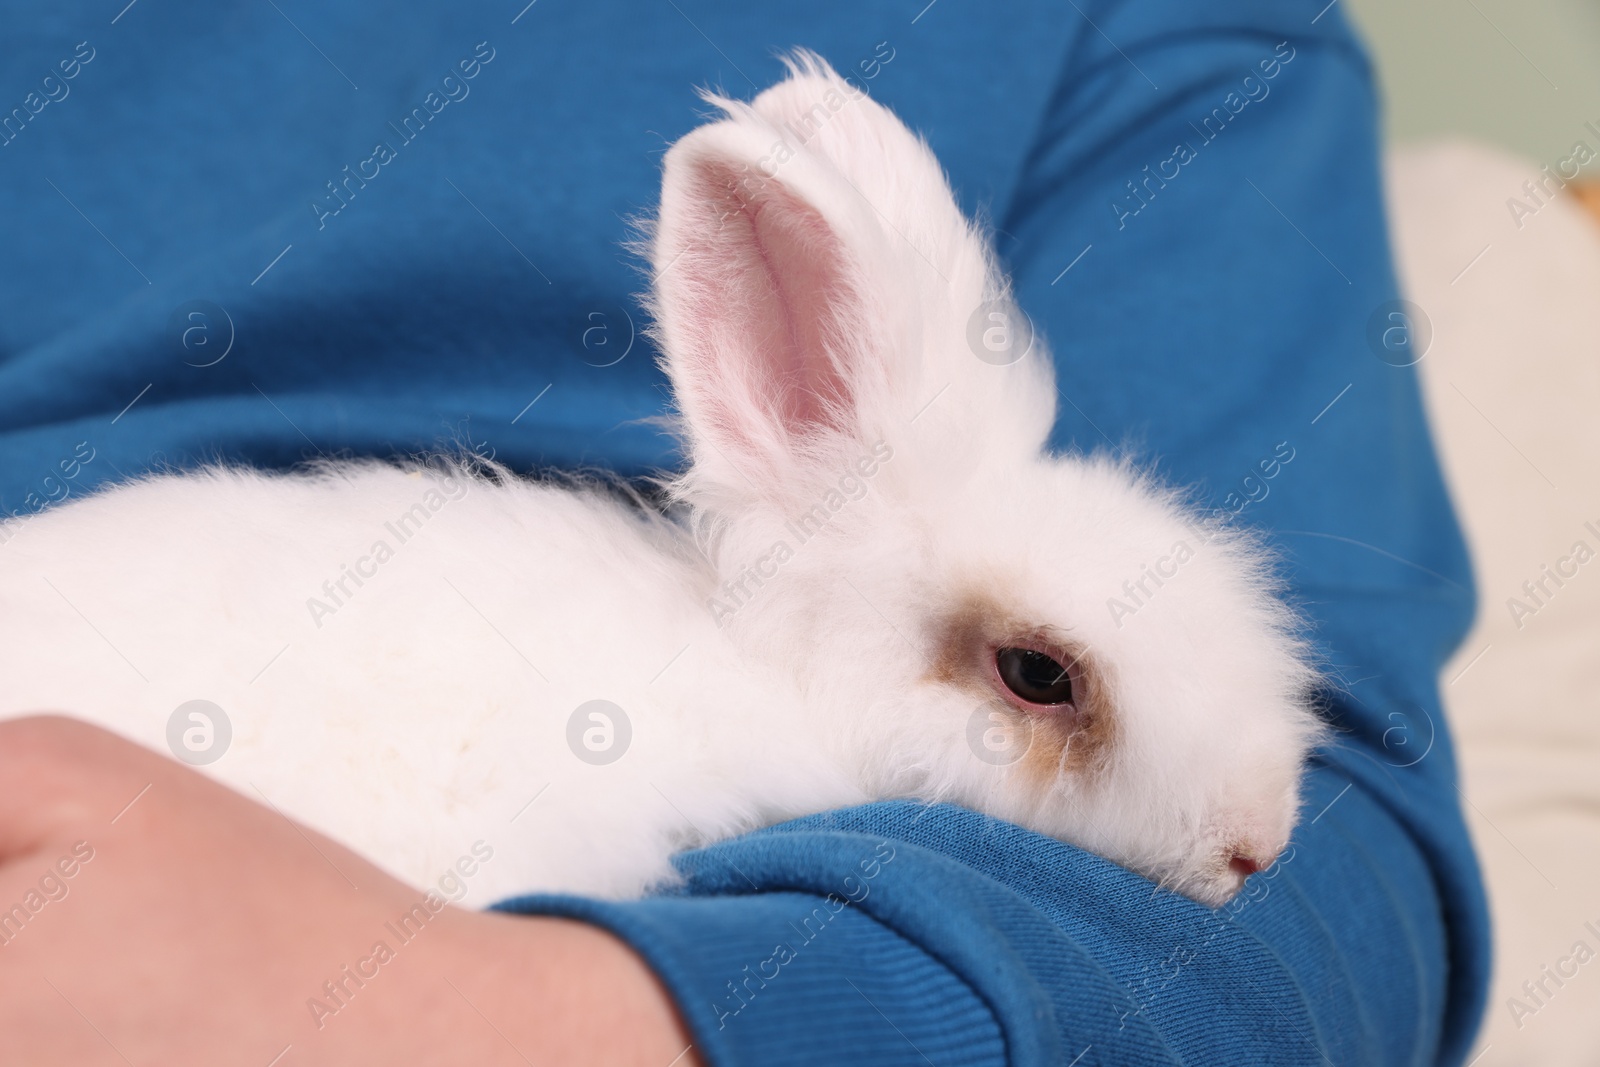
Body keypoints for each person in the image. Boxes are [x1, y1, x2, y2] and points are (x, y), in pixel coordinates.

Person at [0, 0, 1488, 1062]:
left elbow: (1337, 895)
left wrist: (498, 1016)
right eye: (1037, 689)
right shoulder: (727, 693)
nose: (1246, 844)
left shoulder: (1173, 48)